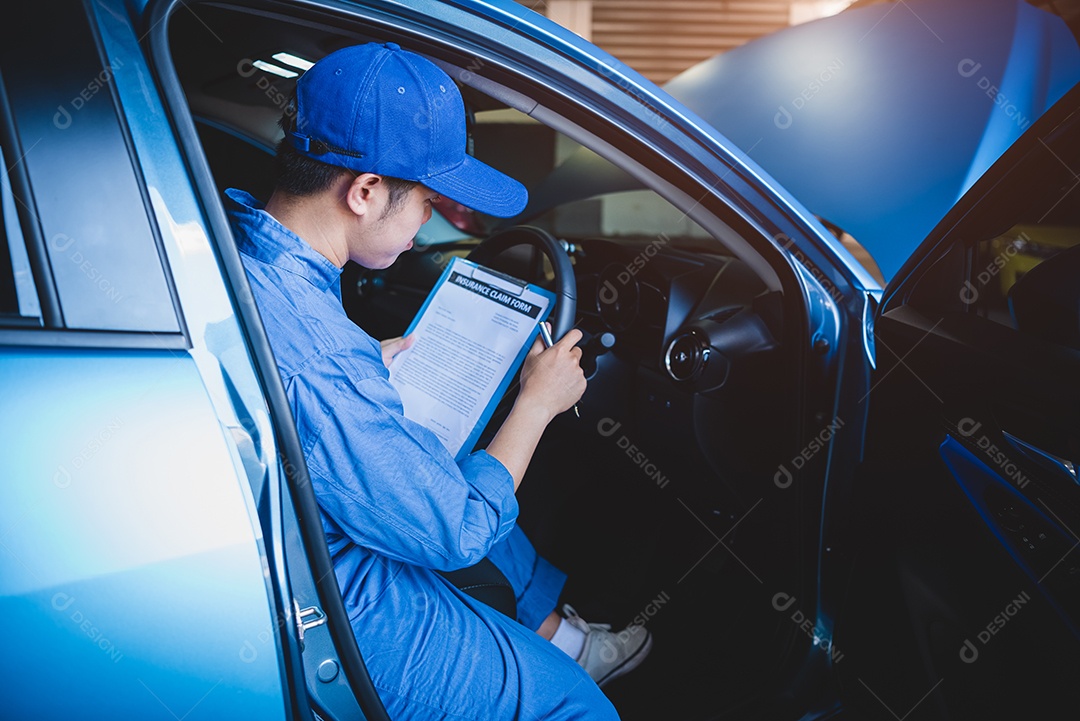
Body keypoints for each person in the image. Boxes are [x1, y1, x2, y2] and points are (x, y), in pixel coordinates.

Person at [225, 42, 651, 720]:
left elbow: (305, 373)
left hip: (294, 538)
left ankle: (560, 639)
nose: (427, 223)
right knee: (575, 706)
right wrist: (537, 403)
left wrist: (366, 360)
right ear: (363, 192)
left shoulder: (242, 246)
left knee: (453, 463)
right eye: (426, 202)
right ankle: (569, 667)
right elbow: (457, 527)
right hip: (333, 596)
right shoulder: (325, 360)